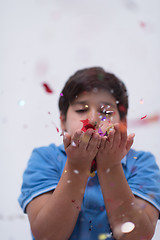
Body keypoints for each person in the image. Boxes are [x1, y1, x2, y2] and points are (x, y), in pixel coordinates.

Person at [18, 67, 160, 240]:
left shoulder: (141, 163)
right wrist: (77, 166)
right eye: (81, 110)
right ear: (62, 121)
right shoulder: (45, 158)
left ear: (122, 122)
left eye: (106, 111)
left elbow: (138, 236)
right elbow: (47, 236)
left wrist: (110, 166)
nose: (93, 119)